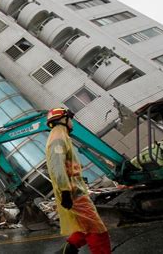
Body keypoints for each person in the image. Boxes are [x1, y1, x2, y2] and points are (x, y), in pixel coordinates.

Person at [45, 108, 111, 254]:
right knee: (96, 228)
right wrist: (66, 191)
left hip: (75, 190)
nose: (72, 122)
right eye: (71, 119)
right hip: (73, 192)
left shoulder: (61, 136)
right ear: (64, 119)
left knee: (86, 223)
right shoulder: (57, 138)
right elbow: (58, 167)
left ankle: (66, 251)